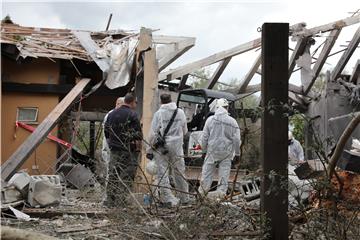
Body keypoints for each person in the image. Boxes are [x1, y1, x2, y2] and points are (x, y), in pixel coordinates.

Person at [147, 93, 189, 207]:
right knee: (179, 171)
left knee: (162, 173)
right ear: (171, 100)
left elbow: (152, 134)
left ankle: (168, 199)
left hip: (162, 147)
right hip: (177, 147)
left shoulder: (158, 114)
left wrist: (149, 150)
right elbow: (185, 131)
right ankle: (184, 197)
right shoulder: (180, 113)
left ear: (161, 102)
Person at [104, 93, 142, 206]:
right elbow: (138, 135)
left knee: (113, 174)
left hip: (114, 150)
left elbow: (106, 131)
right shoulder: (132, 114)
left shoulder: (111, 114)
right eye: (136, 102)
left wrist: (111, 142)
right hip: (128, 150)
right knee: (127, 175)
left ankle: (110, 201)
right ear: (132, 102)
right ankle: (121, 201)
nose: (136, 104)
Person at [198, 98, 241, 197]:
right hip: (226, 153)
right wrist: (237, 154)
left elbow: (204, 138)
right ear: (227, 108)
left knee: (206, 175)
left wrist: (203, 151)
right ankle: (219, 198)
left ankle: (202, 196)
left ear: (217, 107)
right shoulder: (232, 121)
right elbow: (237, 140)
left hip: (212, 151)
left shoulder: (210, 120)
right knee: (223, 177)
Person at [101, 97, 124, 189]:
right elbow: (106, 132)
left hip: (113, 146)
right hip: (109, 146)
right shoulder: (111, 115)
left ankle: (114, 191)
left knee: (116, 170)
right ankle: (109, 192)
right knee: (110, 170)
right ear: (117, 104)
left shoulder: (119, 114)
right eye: (121, 104)